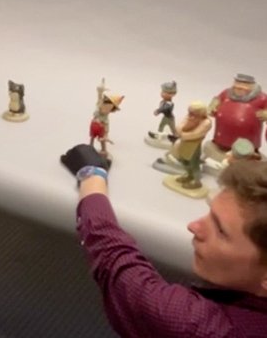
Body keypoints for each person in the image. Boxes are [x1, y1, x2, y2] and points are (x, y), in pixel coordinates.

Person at [62, 144, 267, 336]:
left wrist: (93, 175)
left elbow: (116, 262)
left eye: (221, 230)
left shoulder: (199, 326)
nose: (194, 226)